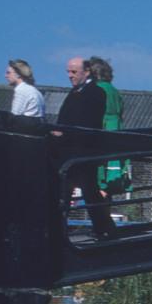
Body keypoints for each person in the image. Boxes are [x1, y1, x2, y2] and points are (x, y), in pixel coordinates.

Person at [58, 56, 111, 236]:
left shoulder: (95, 93)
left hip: (84, 150)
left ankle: (104, 228)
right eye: (68, 72)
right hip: (70, 150)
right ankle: (103, 227)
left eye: (74, 72)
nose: (70, 76)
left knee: (89, 191)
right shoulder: (74, 93)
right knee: (69, 191)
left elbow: (88, 122)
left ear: (86, 72)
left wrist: (65, 132)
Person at [89, 57, 131, 207]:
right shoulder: (115, 91)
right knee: (111, 174)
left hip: (103, 131)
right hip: (117, 133)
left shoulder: (96, 90)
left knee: (100, 174)